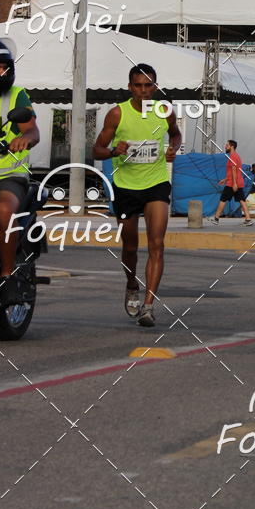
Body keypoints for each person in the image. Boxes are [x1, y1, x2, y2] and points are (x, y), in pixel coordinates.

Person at [94, 63, 181, 327]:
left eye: (149, 85)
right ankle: (132, 283)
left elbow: (175, 135)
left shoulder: (165, 111)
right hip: (125, 186)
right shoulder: (117, 114)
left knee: (157, 244)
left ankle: (148, 306)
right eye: (138, 85)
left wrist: (173, 148)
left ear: (155, 86)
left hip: (156, 183)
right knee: (130, 246)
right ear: (130, 87)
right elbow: (96, 150)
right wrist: (113, 152)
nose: (144, 91)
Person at [0, 39, 40, 306]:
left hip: (7, 175)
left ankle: (7, 277)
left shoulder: (16, 95)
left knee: (4, 210)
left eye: (5, 68)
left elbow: (32, 129)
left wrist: (25, 138)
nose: (1, 74)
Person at [213, 139, 253, 225]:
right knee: (242, 200)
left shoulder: (233, 156)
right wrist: (224, 180)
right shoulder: (235, 156)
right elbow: (232, 172)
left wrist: (234, 183)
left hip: (232, 184)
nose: (225, 146)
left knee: (223, 199)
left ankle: (216, 219)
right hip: (236, 182)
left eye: (227, 145)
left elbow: (234, 170)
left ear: (232, 146)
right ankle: (248, 219)